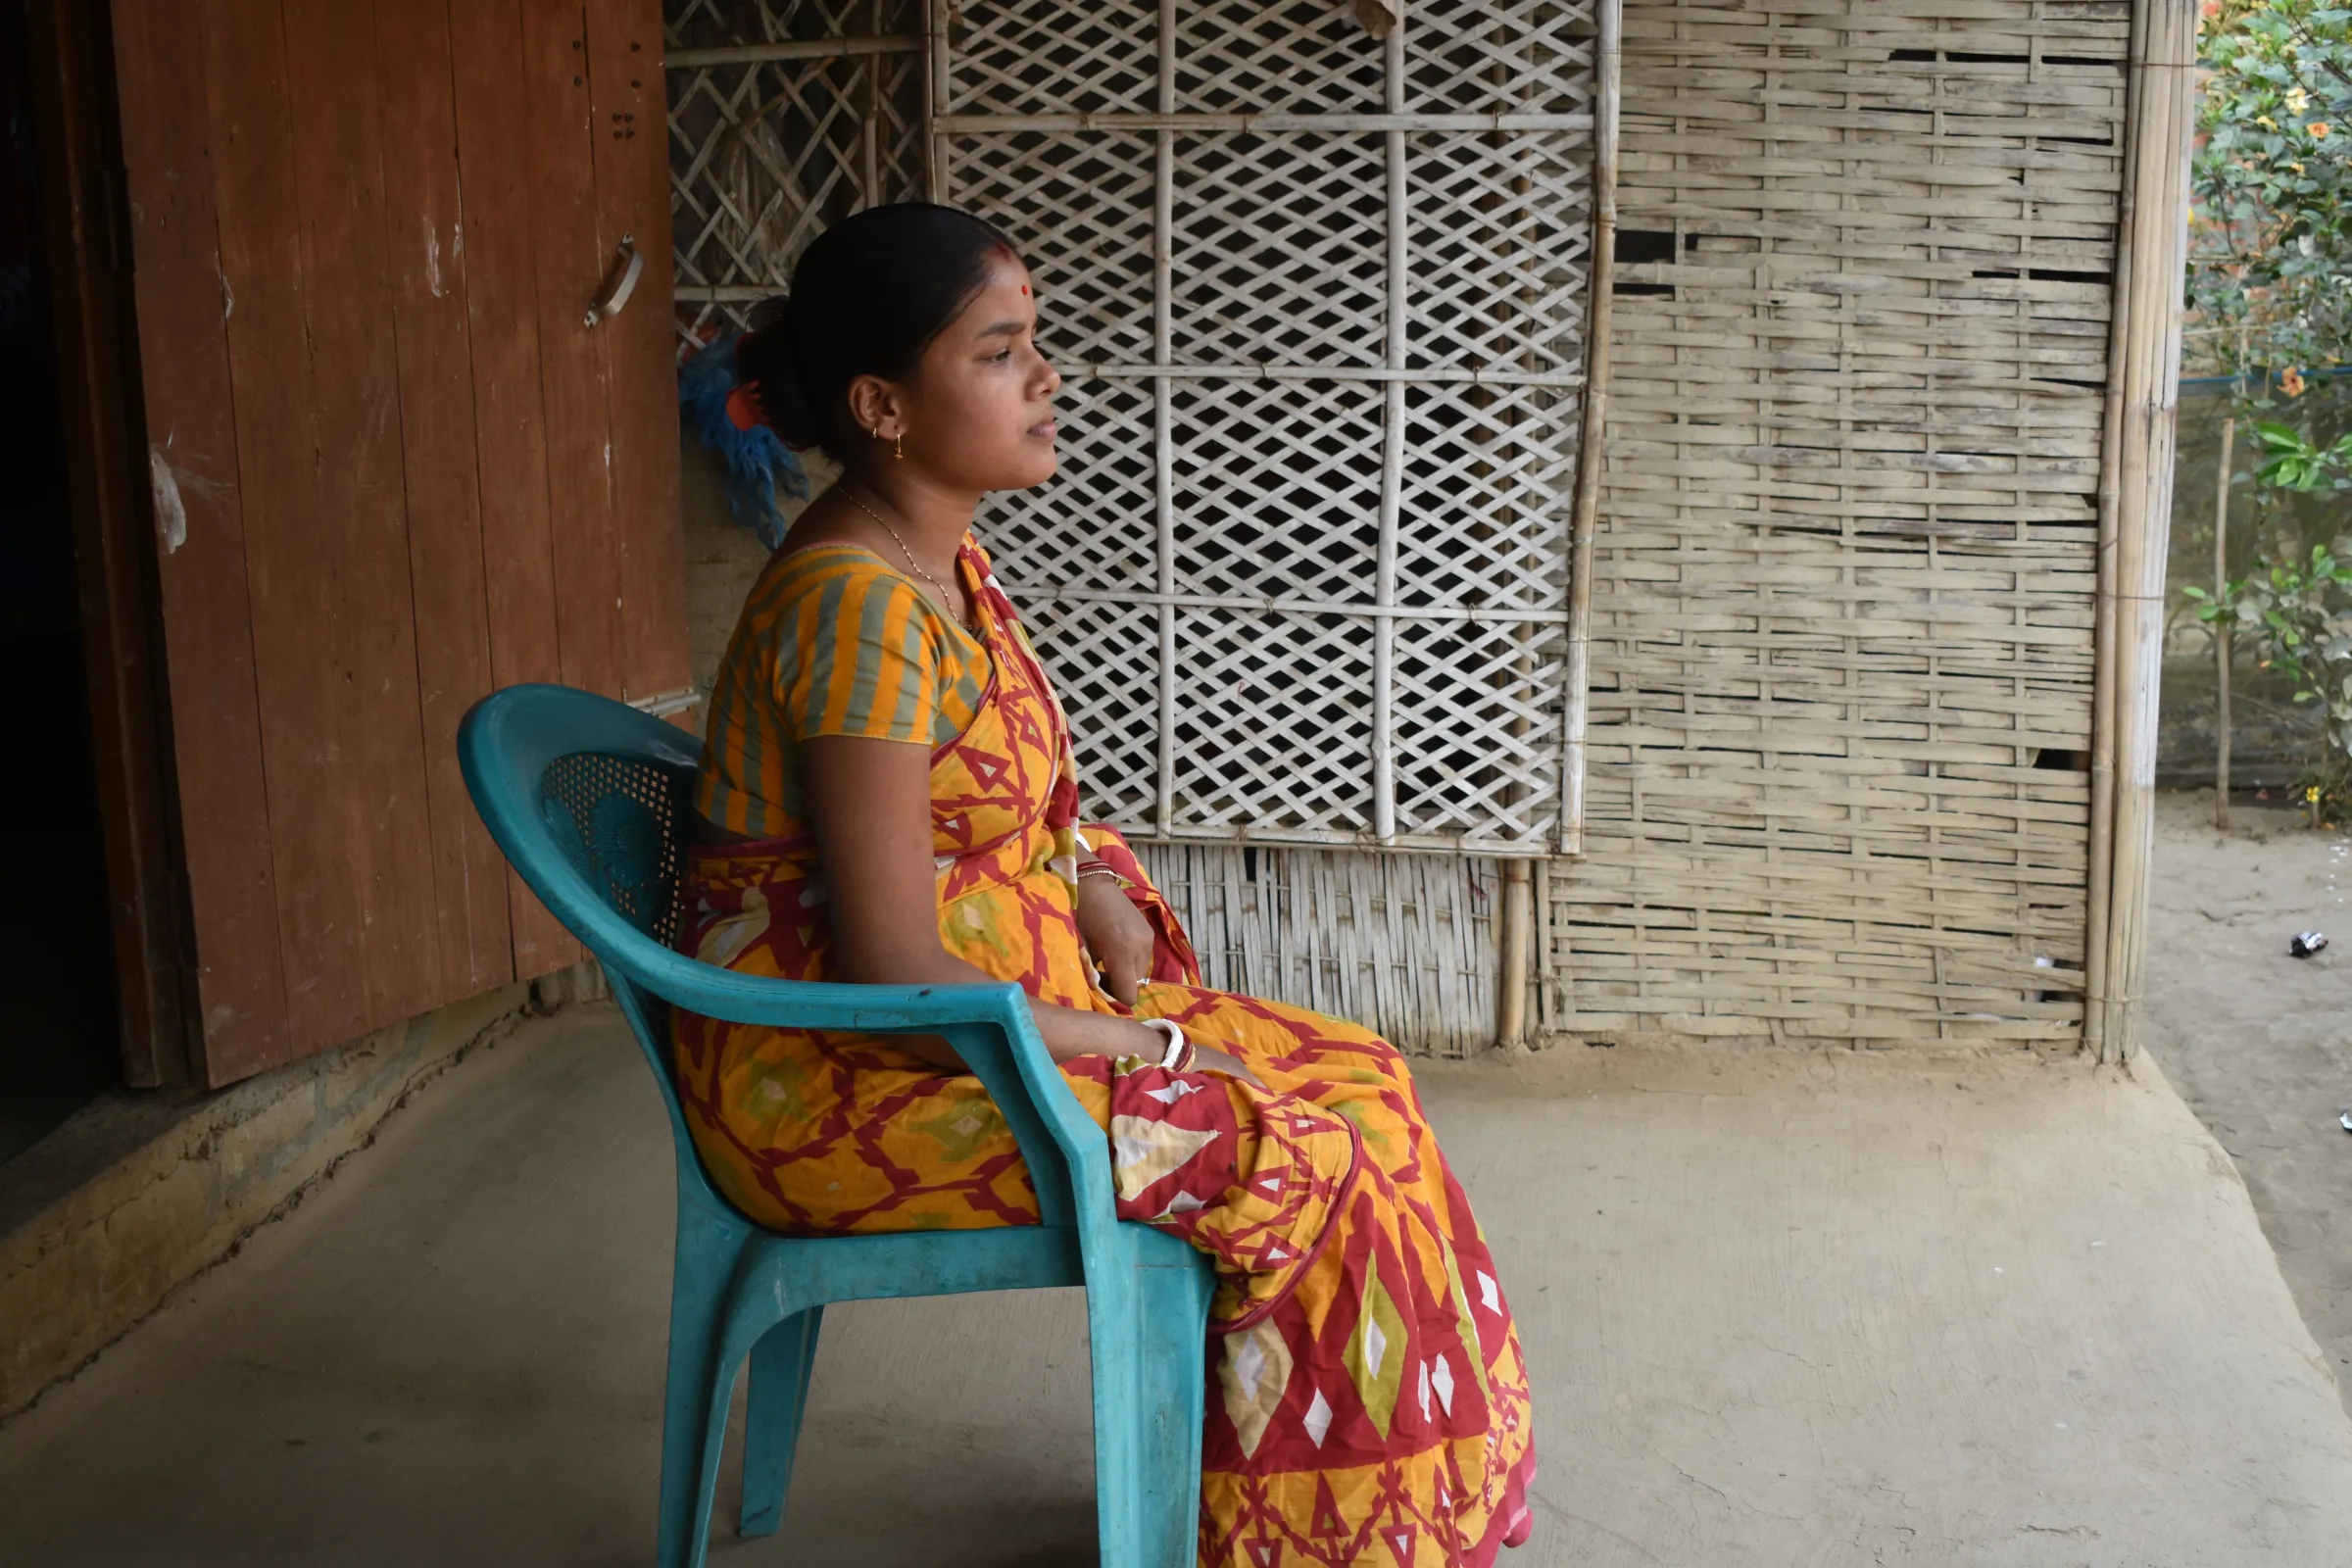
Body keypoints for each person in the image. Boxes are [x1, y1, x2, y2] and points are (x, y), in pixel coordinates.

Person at [673, 201, 1535, 1567]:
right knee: (1294, 1154)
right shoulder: (856, 607)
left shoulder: (936, 563)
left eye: (1036, 343)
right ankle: (1310, 1541)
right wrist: (1138, 1041)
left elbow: (997, 814)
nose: (1048, 377)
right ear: (883, 405)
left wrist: (1095, 890)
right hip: (848, 1078)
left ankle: (1323, 1518)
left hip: (989, 1026)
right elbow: (892, 960)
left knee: (1363, 1078)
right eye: (1002, 351)